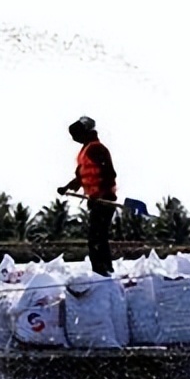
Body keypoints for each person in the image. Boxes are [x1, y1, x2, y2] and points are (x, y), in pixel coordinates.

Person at [57, 116, 118, 276]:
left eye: (76, 135)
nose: (74, 139)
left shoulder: (96, 149)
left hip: (104, 200)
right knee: (98, 237)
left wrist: (100, 195)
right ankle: (105, 270)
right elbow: (81, 177)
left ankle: (102, 272)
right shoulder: (86, 150)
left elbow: (109, 174)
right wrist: (66, 188)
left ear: (85, 133)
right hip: (97, 201)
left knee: (96, 238)